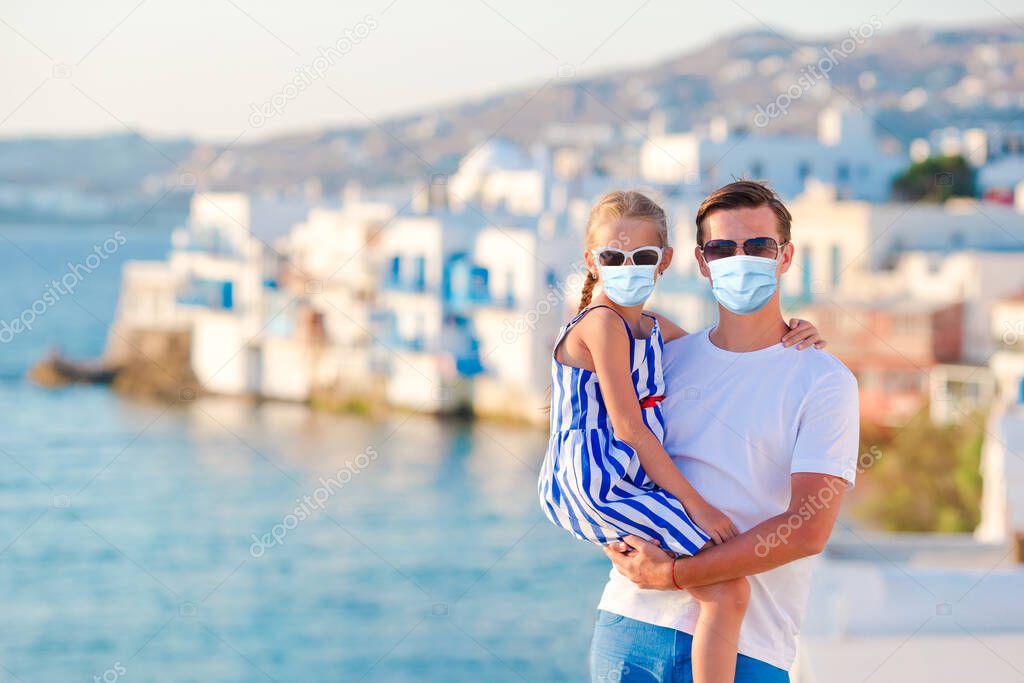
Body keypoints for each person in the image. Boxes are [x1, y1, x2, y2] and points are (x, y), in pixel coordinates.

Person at [537, 190, 827, 683]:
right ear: (591, 260)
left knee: (726, 591)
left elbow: (724, 353)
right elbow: (629, 427)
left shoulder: (651, 330)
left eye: (643, 257)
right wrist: (699, 507)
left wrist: (796, 333)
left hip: (610, 481)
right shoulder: (605, 323)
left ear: (665, 261)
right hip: (600, 483)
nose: (627, 267)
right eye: (612, 257)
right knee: (730, 591)